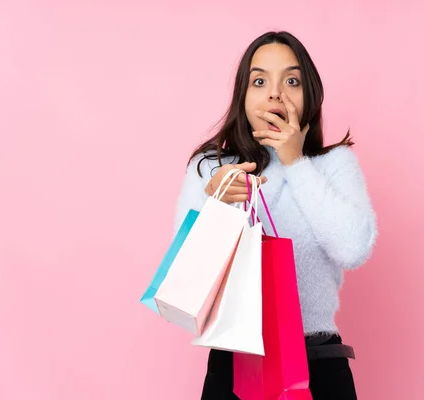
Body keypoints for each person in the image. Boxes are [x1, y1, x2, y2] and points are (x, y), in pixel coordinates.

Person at [172, 30, 377, 400]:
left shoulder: (333, 165)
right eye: (260, 80)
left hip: (317, 362)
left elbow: (354, 249)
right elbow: (188, 281)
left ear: (309, 95)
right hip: (235, 366)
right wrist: (216, 203)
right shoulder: (210, 168)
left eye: (292, 80)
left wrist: (296, 162)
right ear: (243, 95)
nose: (275, 93)